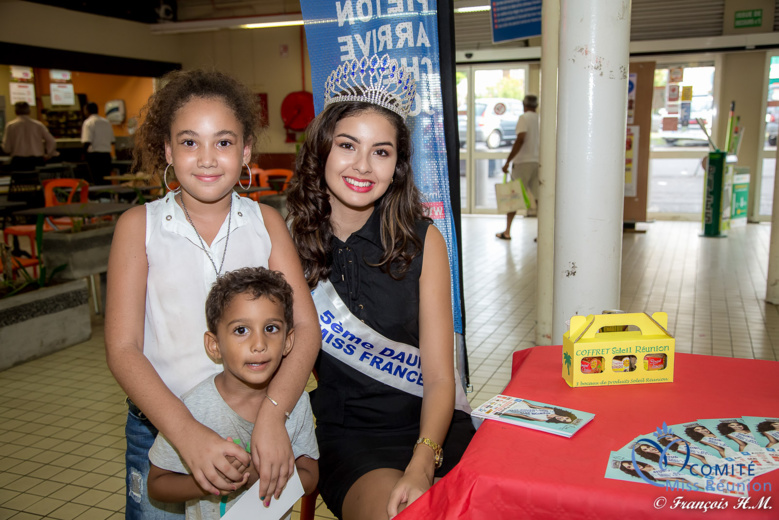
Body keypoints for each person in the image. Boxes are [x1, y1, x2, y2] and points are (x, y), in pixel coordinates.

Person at [104, 69, 319, 519]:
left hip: (255, 425)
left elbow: (305, 327)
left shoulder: (266, 223)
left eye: (222, 142)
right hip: (161, 430)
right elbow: (123, 348)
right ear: (167, 150)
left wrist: (273, 416)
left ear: (245, 152)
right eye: (188, 142)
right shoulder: (138, 227)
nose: (206, 158)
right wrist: (185, 432)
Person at [286, 54, 475, 520]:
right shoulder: (285, 242)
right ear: (322, 150)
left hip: (434, 427)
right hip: (353, 439)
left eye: (382, 151)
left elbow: (438, 377)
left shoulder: (423, 240)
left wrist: (421, 461)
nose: (364, 166)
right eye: (348, 145)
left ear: (398, 165)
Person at [147, 267, 319, 519]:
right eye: (241, 330)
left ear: (288, 341)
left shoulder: (295, 402)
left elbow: (310, 476)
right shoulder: (194, 407)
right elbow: (157, 484)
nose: (259, 344)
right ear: (214, 345)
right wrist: (213, 479)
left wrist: (256, 475)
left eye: (271, 328)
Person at [496, 94, 539, 240]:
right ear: (536, 105)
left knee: (513, 197)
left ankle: (507, 231)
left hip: (522, 163)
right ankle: (544, 232)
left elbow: (520, 139)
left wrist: (508, 160)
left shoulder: (524, 118)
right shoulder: (541, 119)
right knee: (540, 199)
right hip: (538, 162)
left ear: (524, 105)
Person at [2, 101, 59, 170]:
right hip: (37, 160)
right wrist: (48, 154)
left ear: (15, 111)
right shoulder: (38, 125)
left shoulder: (10, 126)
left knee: (19, 179)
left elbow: (6, 148)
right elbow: (51, 141)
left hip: (19, 161)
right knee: (37, 179)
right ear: (29, 111)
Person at [81, 102, 115, 183]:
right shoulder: (106, 122)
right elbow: (112, 141)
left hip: (94, 156)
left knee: (96, 180)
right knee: (106, 180)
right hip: (106, 156)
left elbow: (87, 141)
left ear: (87, 111)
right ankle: (107, 195)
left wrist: (83, 155)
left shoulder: (88, 122)